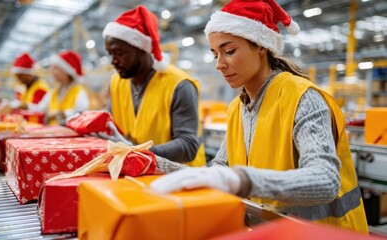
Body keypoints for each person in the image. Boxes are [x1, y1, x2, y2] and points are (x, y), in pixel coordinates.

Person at [151, 0, 368, 233]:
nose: (219, 64)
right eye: (215, 54)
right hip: (271, 233)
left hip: (324, 234)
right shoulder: (237, 108)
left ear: (260, 45)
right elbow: (217, 174)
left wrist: (243, 180)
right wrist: (153, 163)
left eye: (229, 51)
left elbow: (325, 180)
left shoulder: (303, 98)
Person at [100, 5, 205, 167]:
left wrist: (140, 153)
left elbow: (189, 146)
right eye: (110, 53)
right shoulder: (116, 83)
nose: (113, 61)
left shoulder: (179, 85)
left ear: (142, 49)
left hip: (179, 181)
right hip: (136, 174)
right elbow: (113, 128)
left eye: (119, 53)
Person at [28, 50, 89, 125]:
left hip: (70, 133)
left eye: (56, 68)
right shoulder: (53, 92)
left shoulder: (79, 91)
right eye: (52, 68)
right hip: (54, 132)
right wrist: (26, 106)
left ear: (67, 71)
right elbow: (41, 109)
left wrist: (61, 114)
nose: (52, 71)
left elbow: (82, 114)